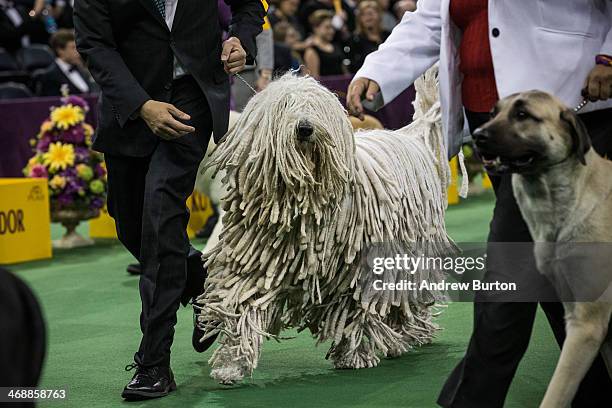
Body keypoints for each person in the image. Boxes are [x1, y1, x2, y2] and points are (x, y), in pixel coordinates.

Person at [347, 1, 612, 407]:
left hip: (564, 120)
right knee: (547, 281)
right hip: (499, 131)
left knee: (508, 282)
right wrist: (376, 71)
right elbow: (433, 19)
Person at [73, 0, 265, 401]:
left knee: (161, 217)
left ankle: (153, 362)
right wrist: (142, 106)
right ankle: (197, 276)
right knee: (129, 224)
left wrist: (240, 38)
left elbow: (250, 5)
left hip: (194, 95)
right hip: (131, 106)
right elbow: (95, 44)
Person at [37, 29, 97, 96]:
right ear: (60, 50)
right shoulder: (49, 76)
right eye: (73, 48)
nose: (77, 52)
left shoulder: (81, 70)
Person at [348, 0, 389, 73]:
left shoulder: (388, 36)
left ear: (379, 15)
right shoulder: (355, 40)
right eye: (363, 14)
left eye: (370, 14)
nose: (367, 18)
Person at [303, 10, 347, 78]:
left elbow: (344, 73)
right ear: (316, 28)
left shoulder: (335, 46)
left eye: (332, 27)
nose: (331, 31)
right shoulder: (312, 51)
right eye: (327, 27)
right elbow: (314, 79)